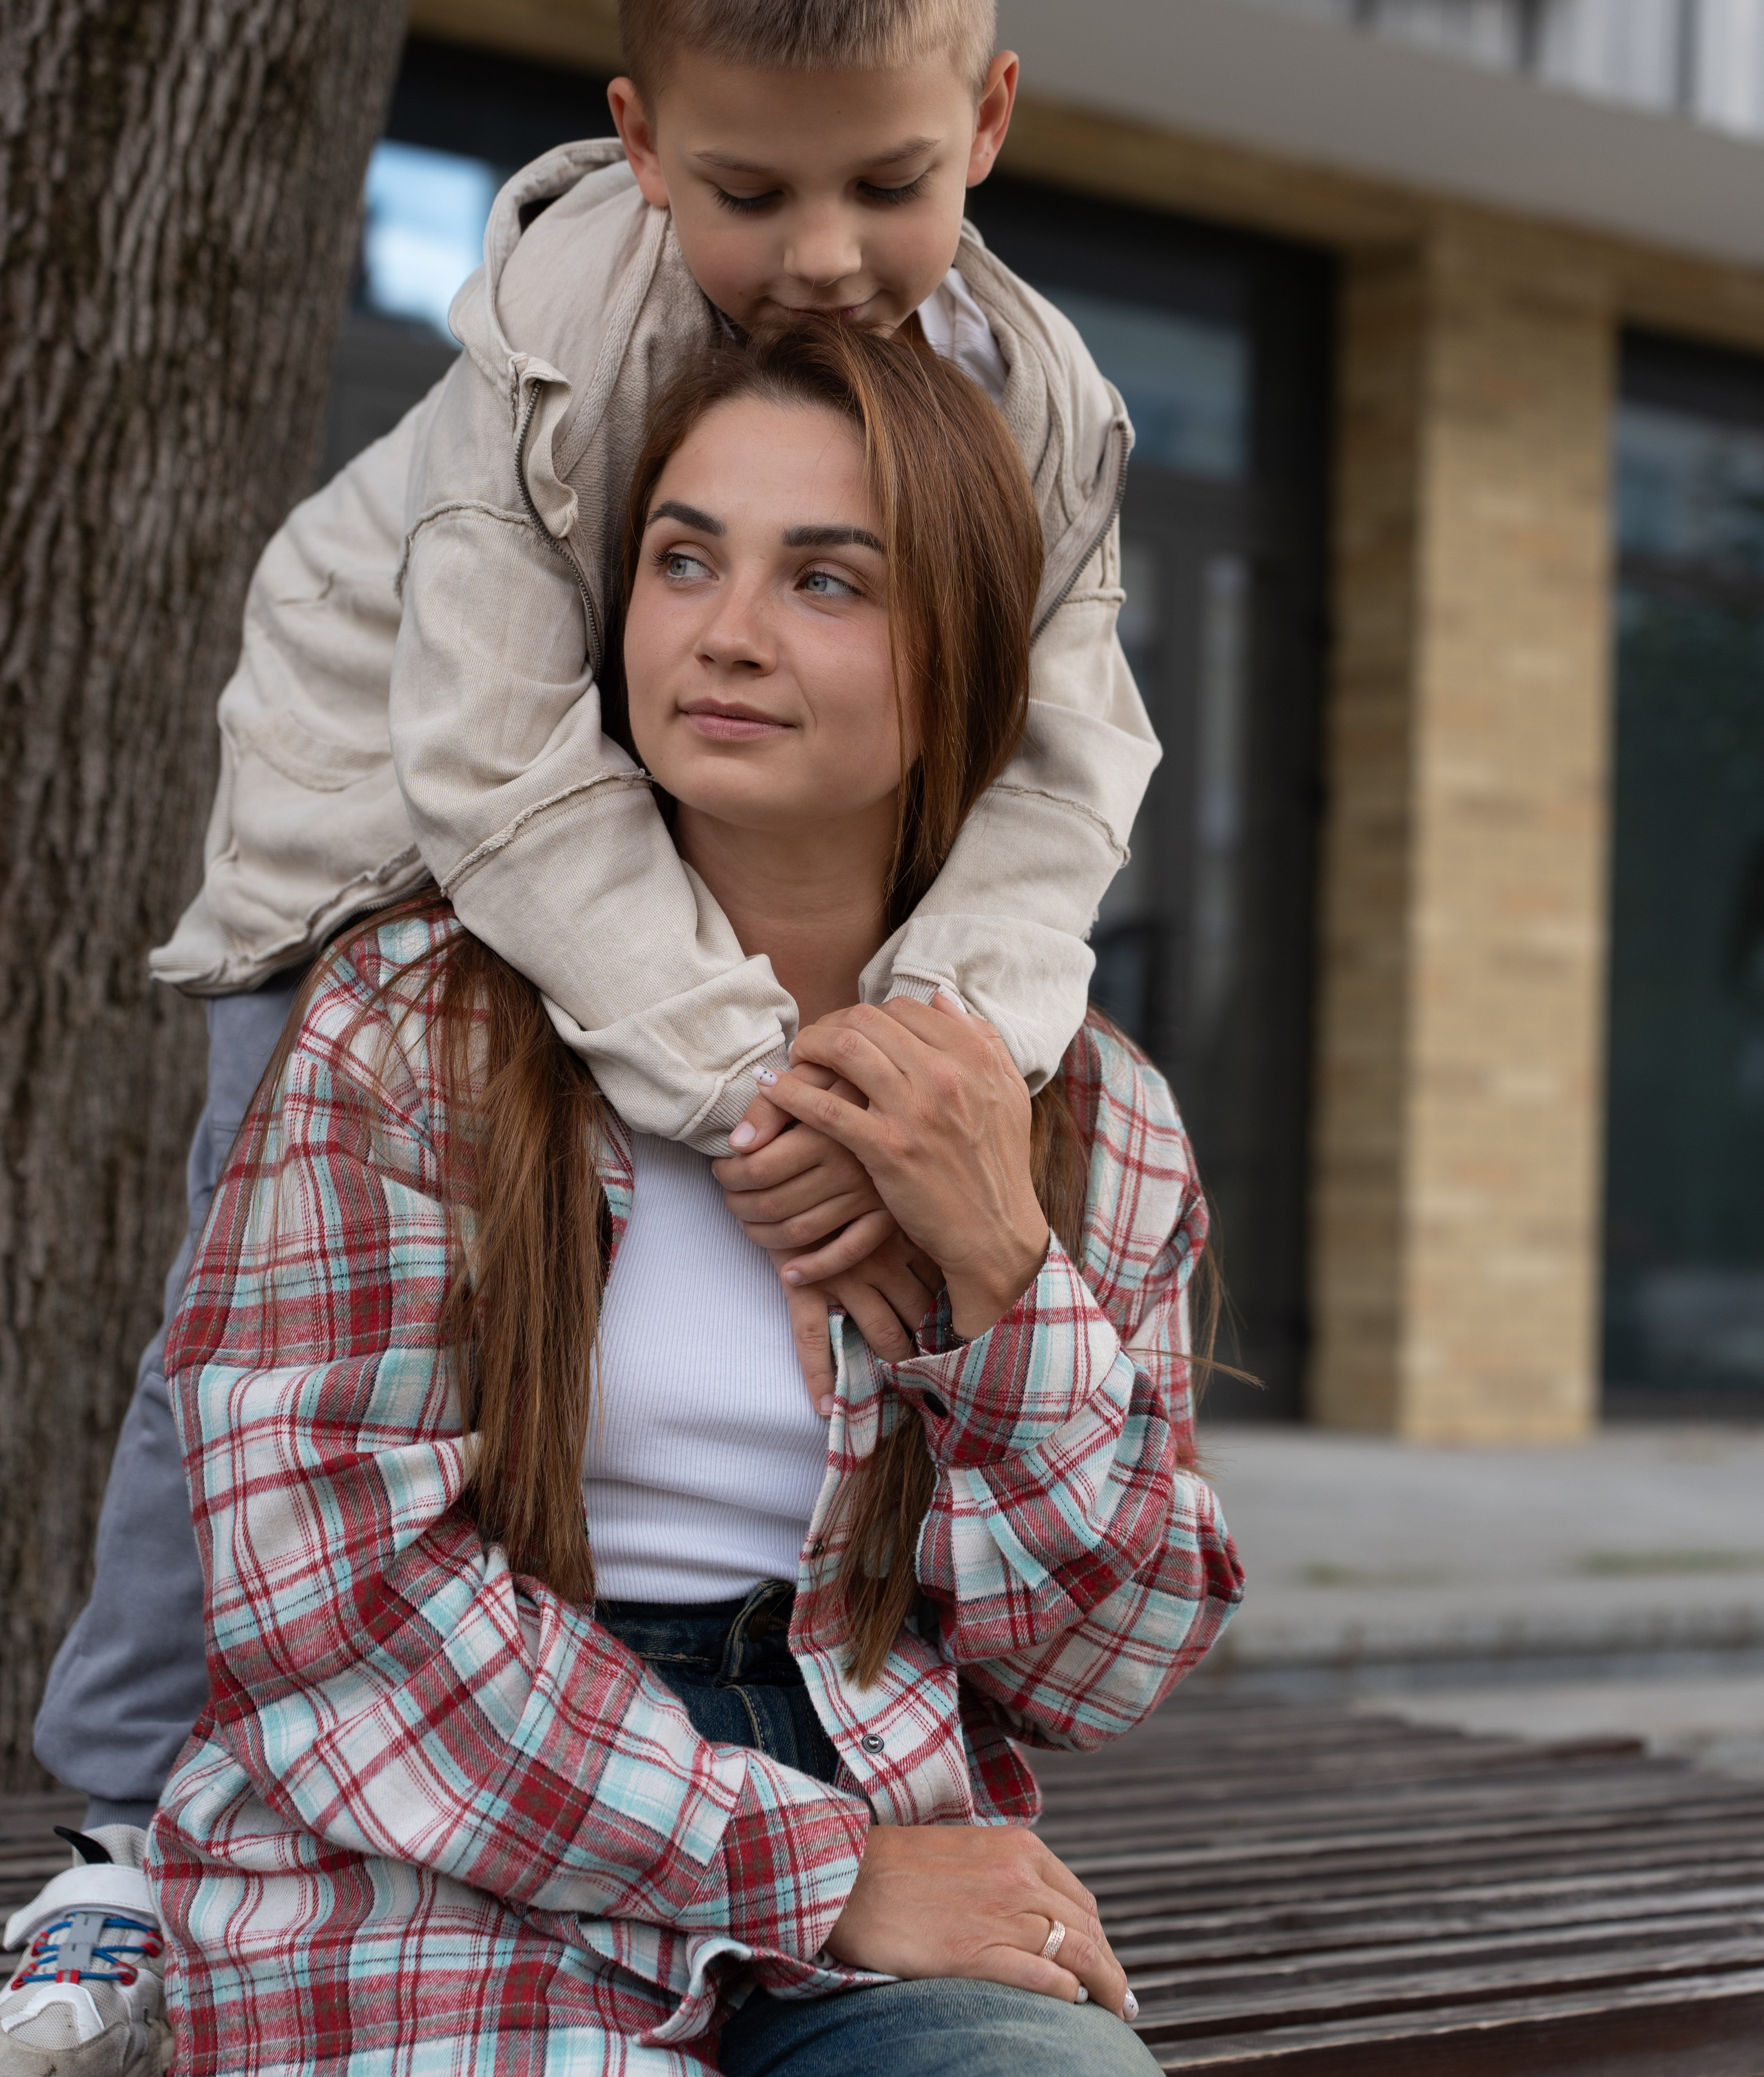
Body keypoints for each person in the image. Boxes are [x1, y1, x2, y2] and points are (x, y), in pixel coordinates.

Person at [12, 0, 1162, 2074]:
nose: (823, 252)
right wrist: (757, 1086)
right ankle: (132, 1820)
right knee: (230, 1318)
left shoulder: (1039, 404)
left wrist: (945, 1042)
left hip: (811, 1801)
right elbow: (510, 778)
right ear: (640, 144)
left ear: (989, 123)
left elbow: (1071, 753)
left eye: (887, 183)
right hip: (382, 796)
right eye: (751, 191)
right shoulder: (557, 361)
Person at [145, 323, 1240, 2076]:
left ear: (966, 656)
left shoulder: (1084, 1115)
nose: (724, 632)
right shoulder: (419, 1028)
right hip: (436, 1859)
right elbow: (326, 1601)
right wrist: (815, 1872)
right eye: (681, 559)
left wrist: (997, 1261)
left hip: (878, 1810)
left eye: (826, 579)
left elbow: (1102, 1666)